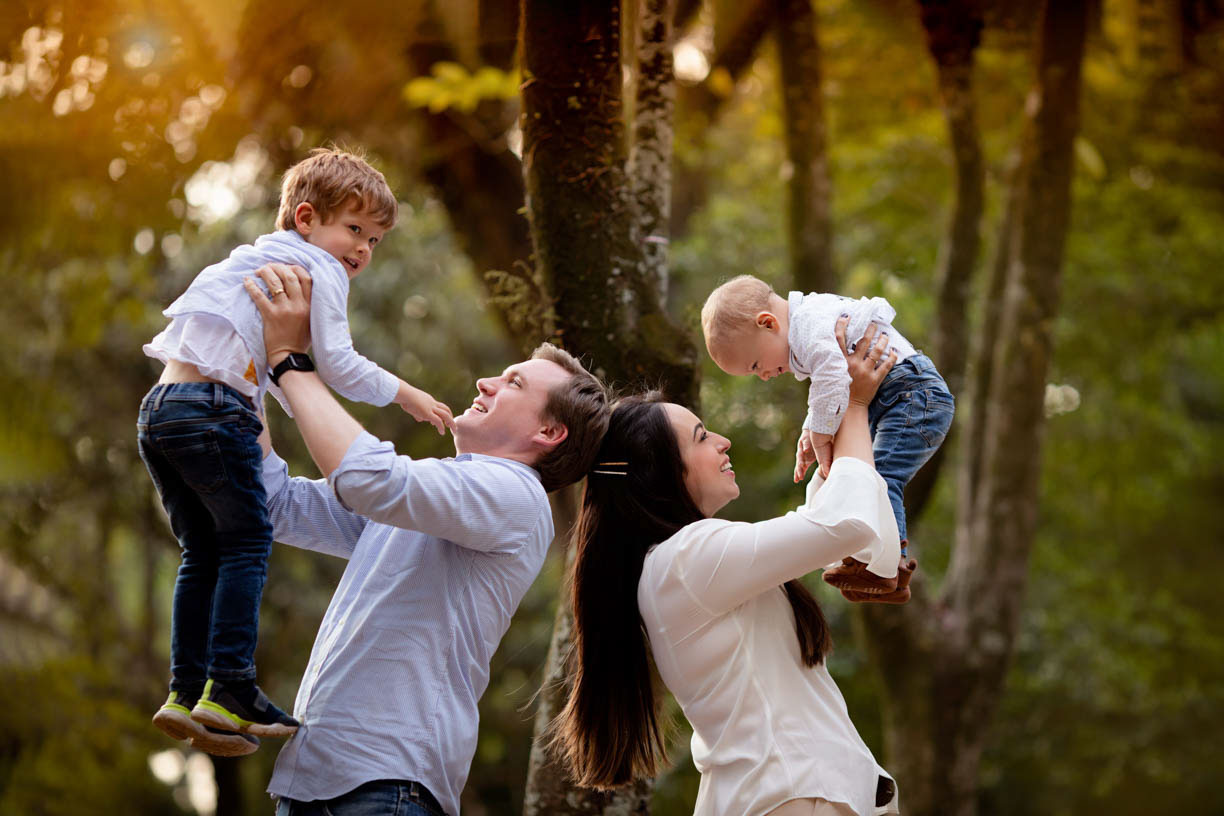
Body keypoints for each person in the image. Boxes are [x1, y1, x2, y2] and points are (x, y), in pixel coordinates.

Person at [238, 262, 610, 816]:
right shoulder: (439, 498)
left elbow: (367, 480)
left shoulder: (515, 495)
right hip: (319, 782)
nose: (486, 383)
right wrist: (245, 365)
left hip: (386, 788)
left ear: (548, 433)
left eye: (514, 383)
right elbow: (275, 505)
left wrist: (289, 361)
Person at [138, 148, 454, 755]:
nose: (362, 250)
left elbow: (278, 378)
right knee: (248, 541)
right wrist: (407, 394)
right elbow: (334, 365)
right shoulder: (319, 270)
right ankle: (229, 684)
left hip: (161, 410)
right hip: (213, 411)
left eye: (376, 240)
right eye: (354, 229)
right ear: (306, 218)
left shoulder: (252, 257)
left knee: (201, 551)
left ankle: (184, 692)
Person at [552, 321, 902, 816]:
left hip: (791, 792)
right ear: (663, 473)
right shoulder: (687, 559)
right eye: (700, 437)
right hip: (792, 796)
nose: (722, 441)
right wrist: (854, 406)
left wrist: (832, 428)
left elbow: (829, 530)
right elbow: (845, 523)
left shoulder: (681, 564)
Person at [701, 274, 954, 603]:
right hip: (897, 397)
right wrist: (812, 429)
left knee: (881, 478)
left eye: (755, 365)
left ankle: (883, 566)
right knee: (868, 476)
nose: (763, 376)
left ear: (767, 323)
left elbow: (834, 376)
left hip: (913, 395)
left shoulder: (809, 324)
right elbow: (830, 384)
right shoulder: (808, 324)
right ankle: (889, 569)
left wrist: (820, 432)